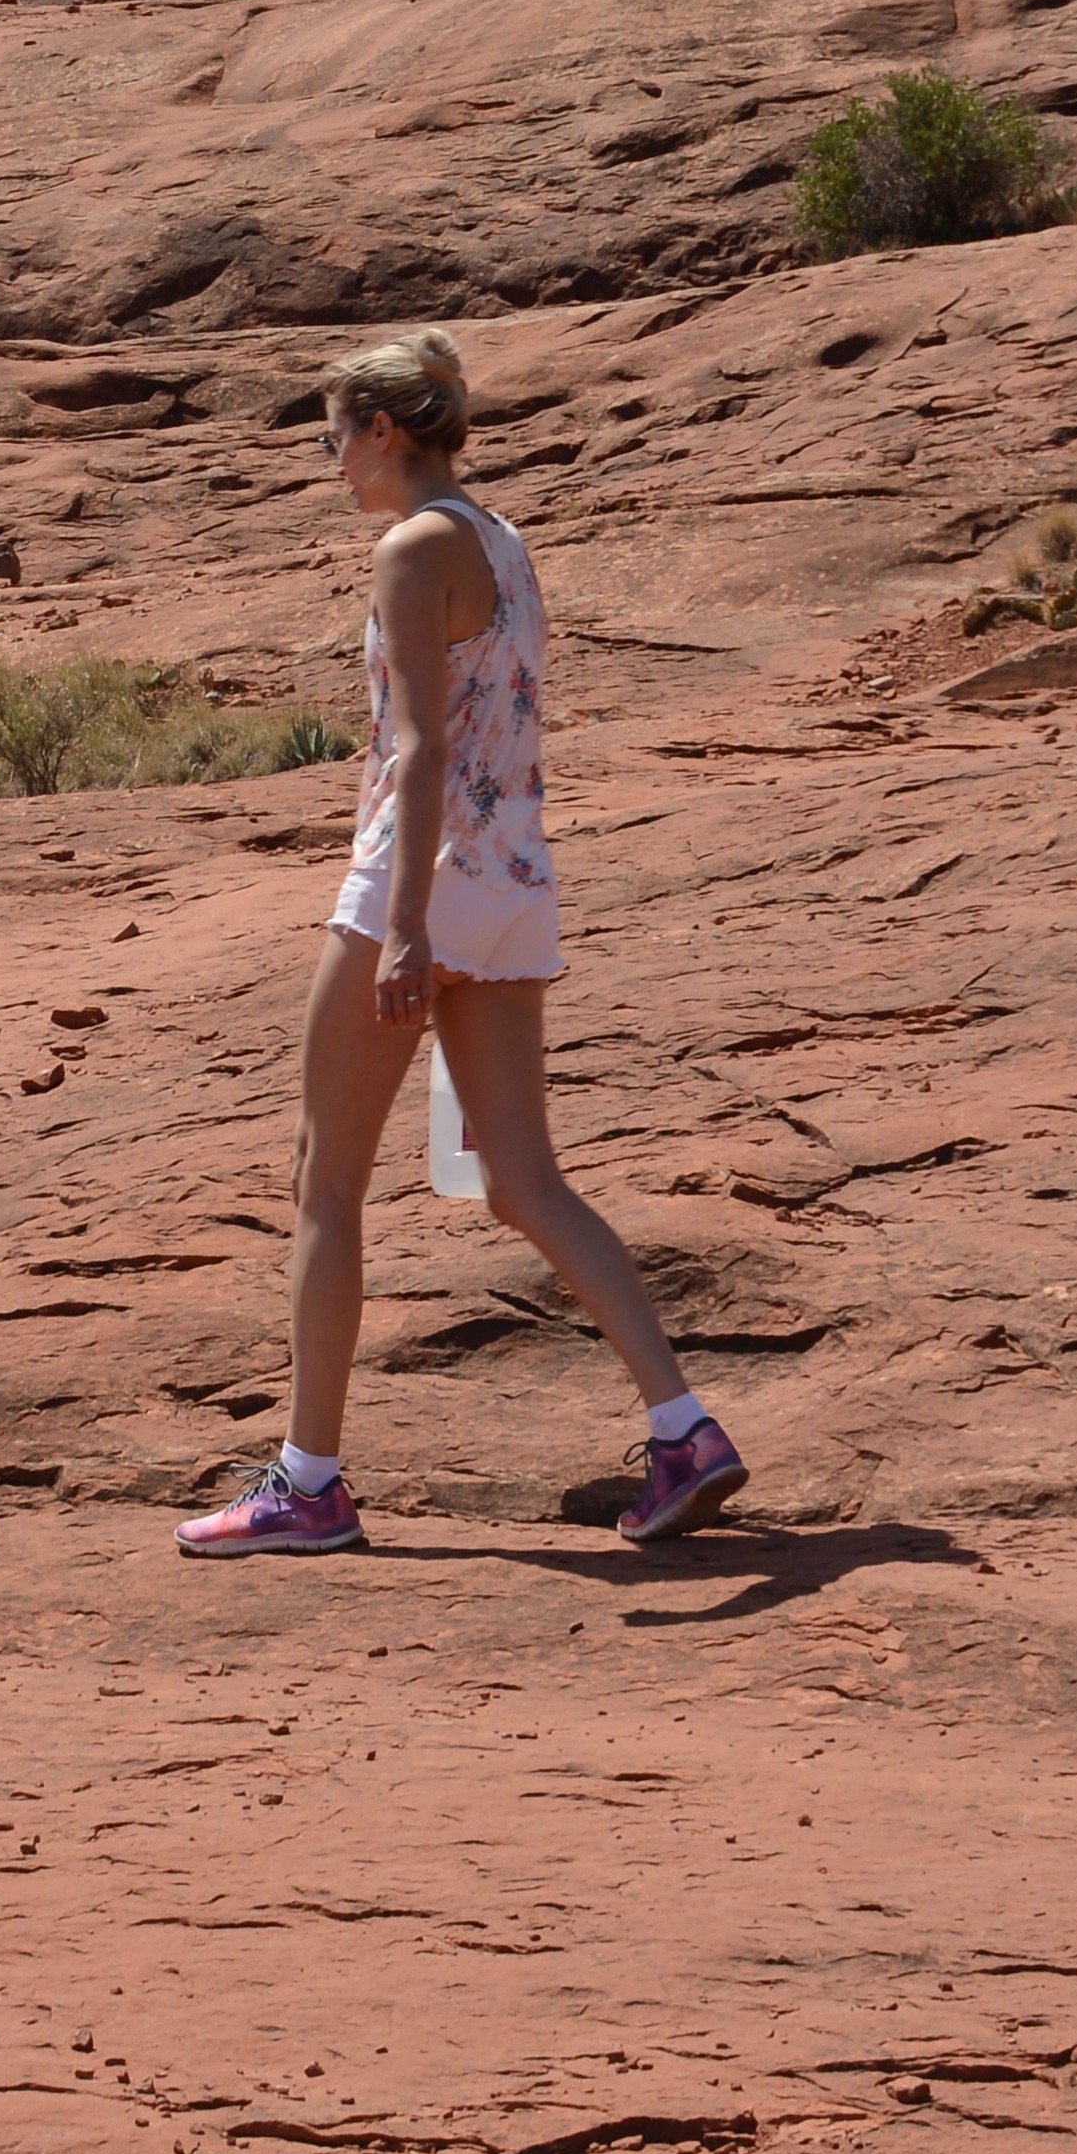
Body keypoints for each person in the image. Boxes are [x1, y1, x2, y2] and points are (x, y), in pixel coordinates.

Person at [179, 328, 741, 1558]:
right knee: (521, 1181)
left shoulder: (410, 545)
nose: (332, 464)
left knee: (325, 1181)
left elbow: (423, 748)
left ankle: (308, 1484)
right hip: (514, 881)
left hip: (417, 885)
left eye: (335, 437)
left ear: (384, 429)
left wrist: (405, 931)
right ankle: (683, 1426)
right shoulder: (500, 540)